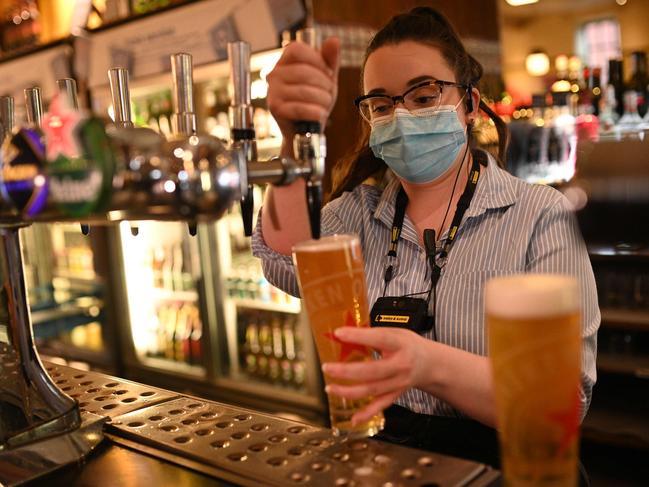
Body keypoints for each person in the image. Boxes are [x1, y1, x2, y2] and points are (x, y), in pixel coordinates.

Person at [251, 6, 599, 468]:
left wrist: (427, 364)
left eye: (423, 96)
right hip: (388, 465)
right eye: (381, 104)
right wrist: (293, 137)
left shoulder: (538, 216)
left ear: (470, 104)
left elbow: (562, 401)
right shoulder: (355, 215)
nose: (401, 116)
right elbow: (282, 259)